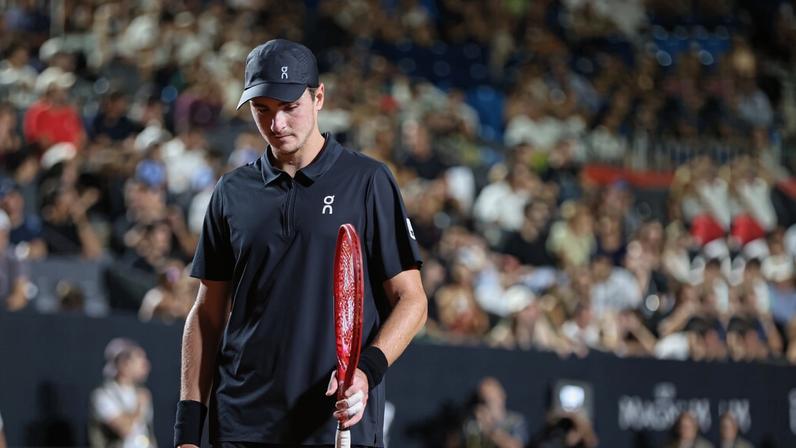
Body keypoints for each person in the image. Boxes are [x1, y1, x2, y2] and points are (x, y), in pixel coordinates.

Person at [174, 39, 427, 448]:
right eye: (263, 110)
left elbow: (412, 300)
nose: (277, 125)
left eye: (290, 107)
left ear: (319, 97)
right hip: (242, 423)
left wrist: (366, 370)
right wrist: (187, 429)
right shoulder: (231, 192)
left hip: (334, 422)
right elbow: (207, 313)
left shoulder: (367, 181)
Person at [89, 338, 155, 448]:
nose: (146, 365)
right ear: (124, 364)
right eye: (139, 359)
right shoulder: (102, 395)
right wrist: (138, 408)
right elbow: (125, 429)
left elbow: (146, 432)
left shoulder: (141, 393)